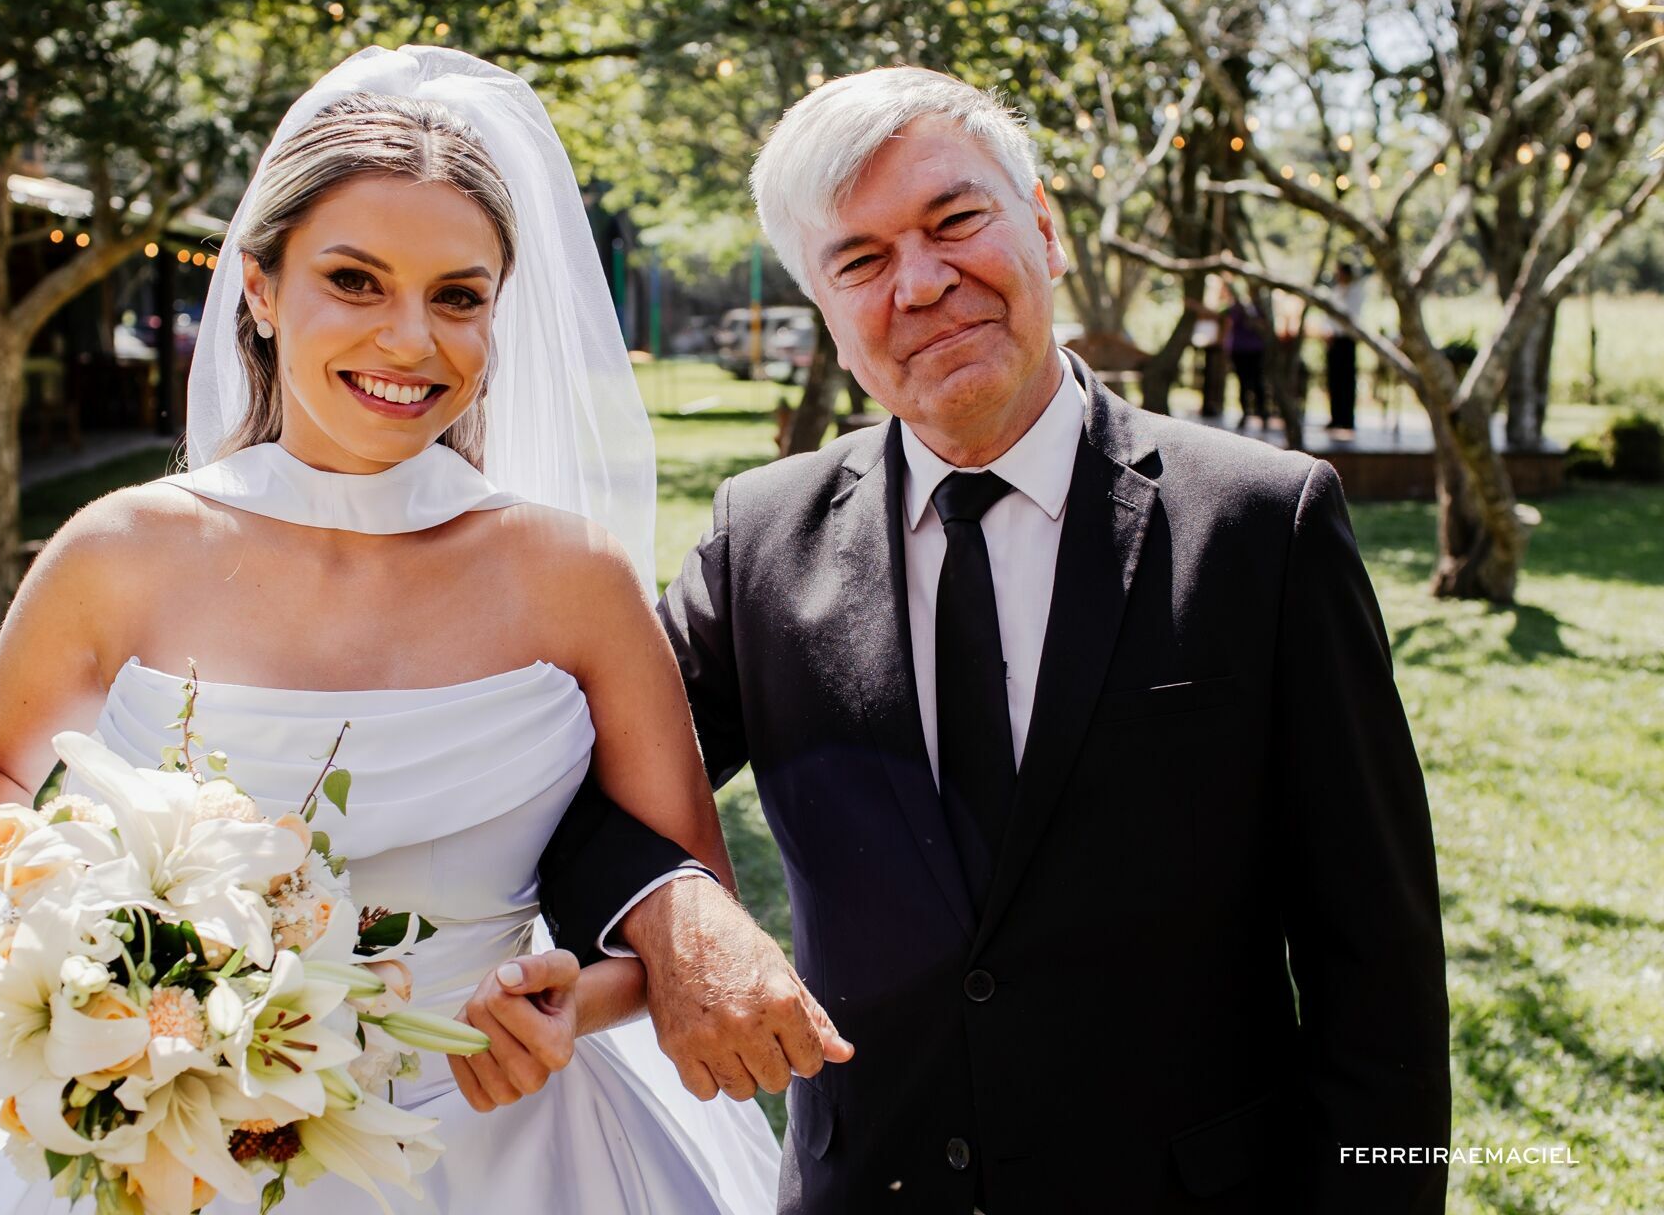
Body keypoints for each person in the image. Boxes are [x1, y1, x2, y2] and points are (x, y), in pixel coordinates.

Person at [540, 67, 1451, 1214]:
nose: (921, 283)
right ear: (822, 302)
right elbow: (564, 786)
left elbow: (1380, 967)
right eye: (860, 261)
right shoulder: (756, 538)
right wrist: (676, 912)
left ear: (1047, 231)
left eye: (955, 219)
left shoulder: (1264, 523)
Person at [0, 47, 781, 1215]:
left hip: (512, 1145)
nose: (411, 341)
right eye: (357, 280)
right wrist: (34, 942)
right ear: (263, 290)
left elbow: (684, 902)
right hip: (177, 1144)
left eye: (458, 295)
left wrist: (577, 997)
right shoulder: (119, 548)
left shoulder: (575, 577)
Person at [1325, 262, 1368, 432]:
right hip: (1333, 340)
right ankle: (1335, 417)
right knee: (1334, 380)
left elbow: (1350, 315)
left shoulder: (1356, 292)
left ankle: (1347, 418)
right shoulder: (1335, 291)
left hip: (1347, 340)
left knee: (1347, 380)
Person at [1222, 296, 1270, 428]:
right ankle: (1245, 413)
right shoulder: (1236, 309)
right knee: (1243, 383)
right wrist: (1226, 347)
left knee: (1257, 382)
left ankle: (1263, 413)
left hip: (1255, 351)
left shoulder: (1260, 310)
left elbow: (1265, 328)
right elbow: (1228, 325)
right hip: (1239, 350)